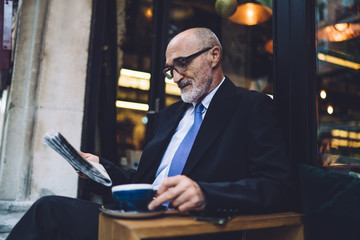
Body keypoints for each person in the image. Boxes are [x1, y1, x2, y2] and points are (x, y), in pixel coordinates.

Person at [7, 27, 296, 240]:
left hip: (189, 227)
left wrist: (206, 194)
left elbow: (276, 186)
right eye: (170, 70)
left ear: (214, 55)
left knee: (49, 210)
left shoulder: (250, 106)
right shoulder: (170, 116)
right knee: (49, 210)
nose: (176, 77)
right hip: (137, 222)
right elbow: (145, 184)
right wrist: (100, 170)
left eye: (182, 63)